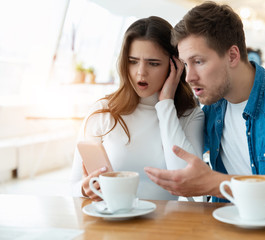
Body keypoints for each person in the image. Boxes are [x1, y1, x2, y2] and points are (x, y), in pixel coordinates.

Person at [144, 2, 265, 213]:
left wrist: (216, 183)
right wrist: (166, 101)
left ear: (233, 55)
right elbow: (180, 165)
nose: (189, 77)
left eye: (198, 61)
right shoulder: (212, 110)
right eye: (186, 64)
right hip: (225, 227)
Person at [71, 16, 204, 201]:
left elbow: (190, 185)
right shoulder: (103, 112)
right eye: (133, 61)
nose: (141, 72)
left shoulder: (189, 115)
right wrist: (85, 190)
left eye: (153, 63)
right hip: (114, 222)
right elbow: (73, 187)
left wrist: (165, 104)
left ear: (175, 66)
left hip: (167, 227)